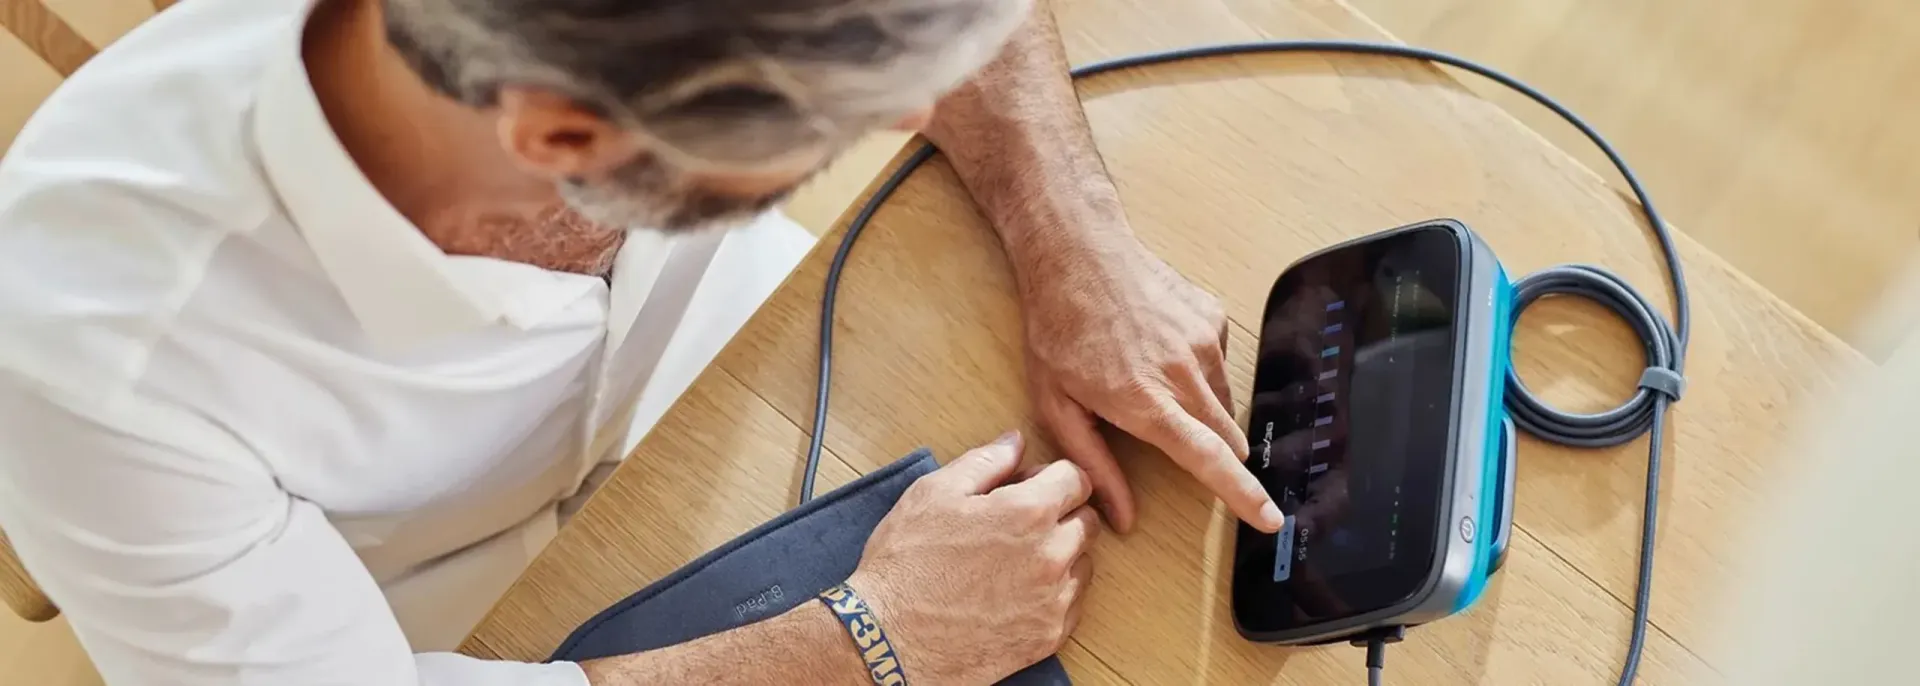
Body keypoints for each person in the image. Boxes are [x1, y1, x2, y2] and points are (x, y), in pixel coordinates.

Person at [0, 0, 1283, 683]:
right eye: (831, 120)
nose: (908, 111)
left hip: (730, 357)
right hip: (435, 615)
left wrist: (1071, 241)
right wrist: (871, 638)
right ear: (565, 147)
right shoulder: (89, 367)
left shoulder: (586, 77)